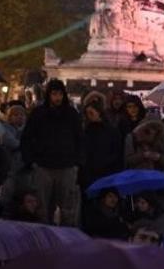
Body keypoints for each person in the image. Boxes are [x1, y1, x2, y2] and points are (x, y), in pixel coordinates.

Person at [21, 79, 82, 225]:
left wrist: (77, 162)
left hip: (66, 166)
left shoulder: (71, 114)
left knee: (68, 208)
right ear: (49, 94)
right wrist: (31, 161)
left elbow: (80, 138)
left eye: (60, 94)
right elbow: (27, 137)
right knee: (42, 209)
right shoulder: (38, 113)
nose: (57, 98)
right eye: (54, 94)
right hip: (43, 166)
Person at [79, 93, 123, 193]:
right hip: (89, 174)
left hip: (107, 172)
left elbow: (117, 152)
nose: (89, 117)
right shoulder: (86, 131)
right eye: (87, 114)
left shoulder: (111, 131)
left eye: (91, 113)